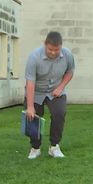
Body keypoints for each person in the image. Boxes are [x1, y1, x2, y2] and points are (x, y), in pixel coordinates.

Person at [24, 31, 75, 159]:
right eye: (50, 49)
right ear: (45, 45)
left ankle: (54, 146)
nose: (53, 52)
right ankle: (35, 148)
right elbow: (30, 82)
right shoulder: (34, 57)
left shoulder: (67, 55)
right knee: (33, 117)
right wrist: (30, 106)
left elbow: (70, 72)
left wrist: (61, 87)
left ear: (61, 46)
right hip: (36, 91)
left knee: (59, 113)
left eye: (56, 50)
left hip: (56, 91)